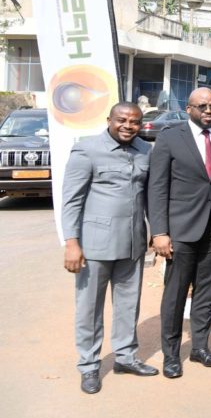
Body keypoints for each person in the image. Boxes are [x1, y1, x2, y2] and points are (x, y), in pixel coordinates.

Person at [62, 102, 157, 394]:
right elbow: (71, 200)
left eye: (135, 122)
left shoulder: (145, 150)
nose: (128, 126)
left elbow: (149, 196)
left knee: (128, 304)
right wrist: (71, 242)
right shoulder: (87, 150)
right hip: (95, 245)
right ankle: (89, 365)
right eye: (122, 120)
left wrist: (155, 231)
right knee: (90, 308)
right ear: (109, 120)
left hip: (132, 243)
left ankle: (125, 357)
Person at [148, 88, 211, 379]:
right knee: (175, 295)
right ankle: (171, 355)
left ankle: (200, 347)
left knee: (205, 293)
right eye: (202, 106)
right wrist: (160, 232)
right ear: (189, 109)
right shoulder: (170, 138)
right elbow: (157, 187)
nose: (209, 111)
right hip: (180, 230)